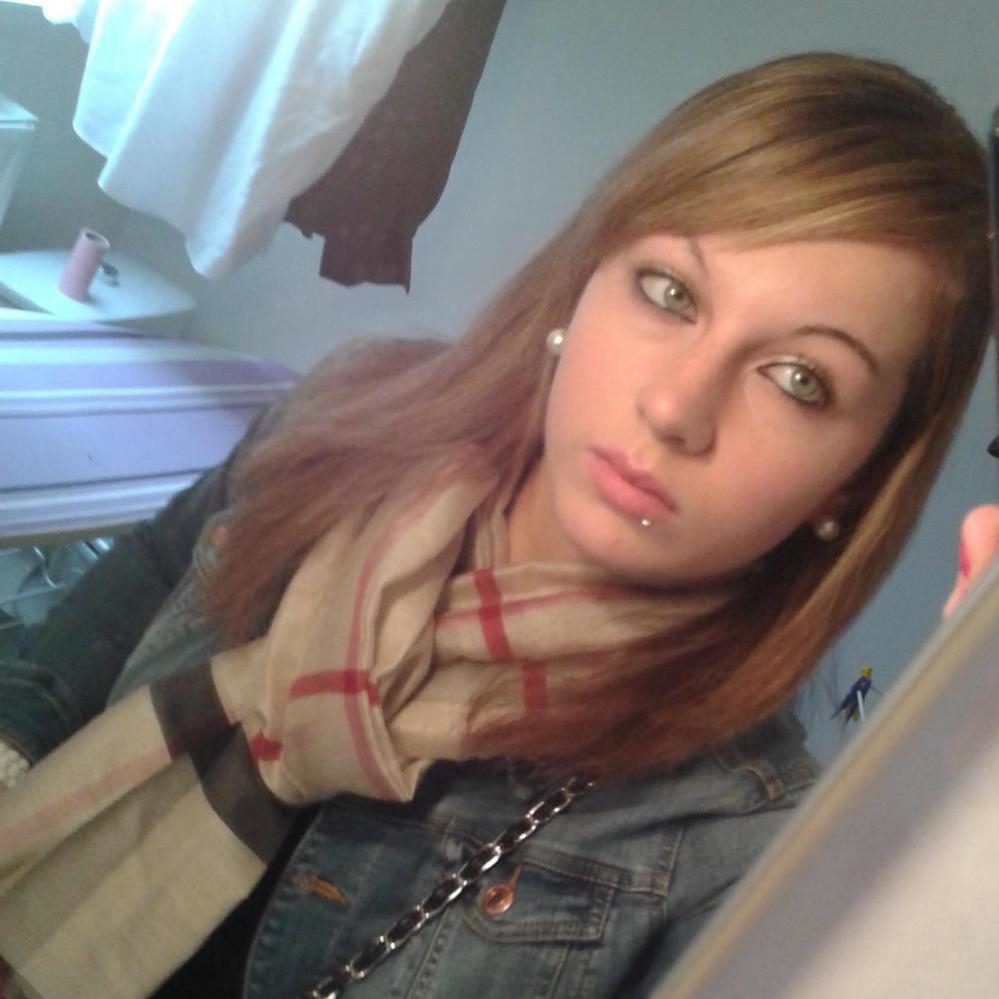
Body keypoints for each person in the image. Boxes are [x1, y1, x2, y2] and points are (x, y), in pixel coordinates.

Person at [0, 52, 995, 999]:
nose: (674, 409)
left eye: (798, 379)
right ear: (585, 280)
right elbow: (121, 606)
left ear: (850, 486)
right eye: (669, 291)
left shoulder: (732, 846)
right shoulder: (346, 413)